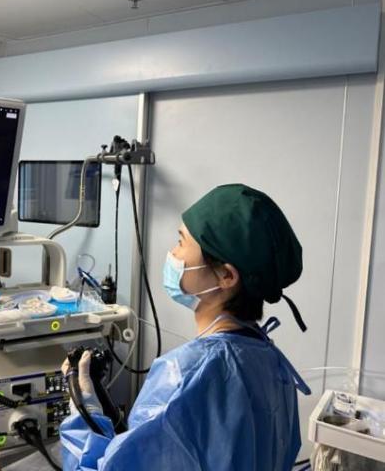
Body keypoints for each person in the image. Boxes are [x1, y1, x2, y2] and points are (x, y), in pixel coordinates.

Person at [60, 184, 311, 471]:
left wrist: (84, 412)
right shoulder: (272, 363)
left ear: (226, 276)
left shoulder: (187, 375)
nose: (172, 253)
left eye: (181, 243)